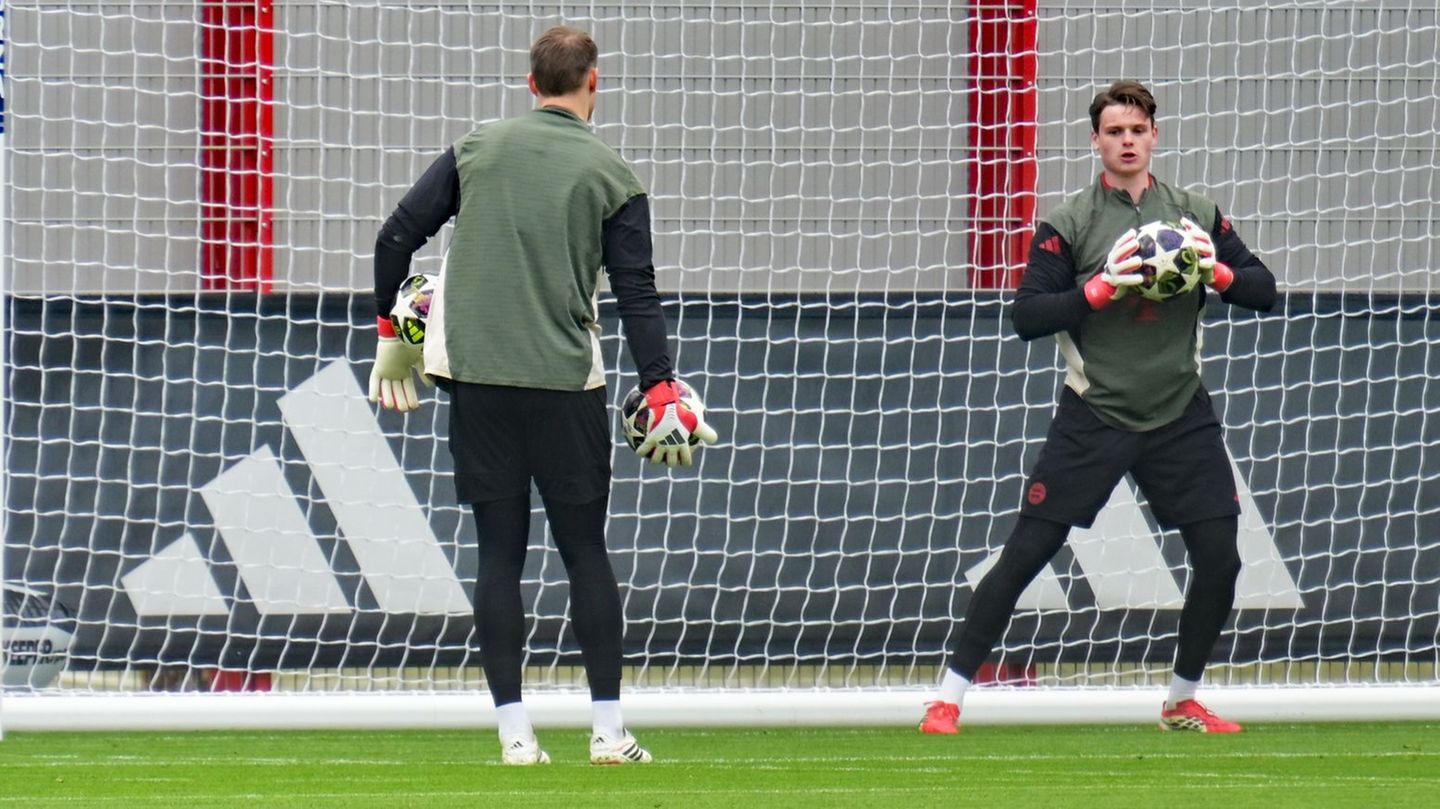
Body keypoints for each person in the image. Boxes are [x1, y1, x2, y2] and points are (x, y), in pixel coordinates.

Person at [368, 25, 717, 765]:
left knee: (499, 556)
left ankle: (515, 736)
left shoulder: (477, 148)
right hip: (565, 386)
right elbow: (636, 292)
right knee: (585, 553)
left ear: (531, 84)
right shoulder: (612, 173)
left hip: (480, 384)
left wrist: (392, 332)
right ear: (595, 82)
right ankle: (608, 732)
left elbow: (394, 239)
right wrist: (658, 381)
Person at [920, 80, 1276, 734]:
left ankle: (1181, 700)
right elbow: (1028, 315)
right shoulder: (1070, 222)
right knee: (1026, 553)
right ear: (1096, 142)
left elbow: (1264, 290)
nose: (1128, 141)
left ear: (1154, 135)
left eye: (1137, 130)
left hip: (1179, 413)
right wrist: (1102, 287)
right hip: (1095, 411)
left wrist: (1216, 273)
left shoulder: (1194, 213)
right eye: (1115, 132)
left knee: (1222, 559)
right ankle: (948, 697)